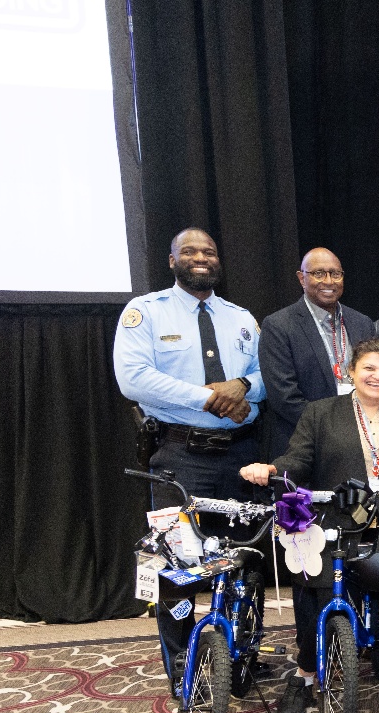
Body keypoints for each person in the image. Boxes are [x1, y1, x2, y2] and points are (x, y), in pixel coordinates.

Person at [239, 338, 379, 713]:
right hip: (337, 527)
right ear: (350, 371)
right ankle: (304, 676)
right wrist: (271, 470)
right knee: (318, 601)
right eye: (369, 368)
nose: (377, 376)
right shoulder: (321, 414)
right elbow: (298, 459)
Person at [113, 226, 265, 689]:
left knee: (244, 560)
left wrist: (242, 388)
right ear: (172, 259)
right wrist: (206, 398)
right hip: (181, 457)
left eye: (210, 251)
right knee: (179, 565)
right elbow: (133, 379)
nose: (201, 257)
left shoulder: (242, 319)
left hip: (241, 456)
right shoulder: (146, 312)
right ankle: (183, 664)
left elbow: (263, 378)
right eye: (190, 251)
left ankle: (242, 656)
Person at [259, 247, 376, 460]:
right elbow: (284, 396)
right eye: (318, 274)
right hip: (303, 446)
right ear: (301, 278)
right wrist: (335, 431)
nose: (329, 281)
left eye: (336, 274)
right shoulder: (278, 325)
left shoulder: (363, 323)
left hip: (359, 444)